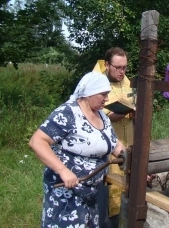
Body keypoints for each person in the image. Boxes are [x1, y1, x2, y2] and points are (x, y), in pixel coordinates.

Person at [29, 71, 126, 228]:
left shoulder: (101, 115)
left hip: (92, 193)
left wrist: (134, 162)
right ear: (89, 93)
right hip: (67, 194)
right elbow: (37, 141)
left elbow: (114, 144)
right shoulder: (68, 113)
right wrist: (63, 170)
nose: (107, 99)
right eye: (103, 94)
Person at [92, 47, 135, 227]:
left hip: (128, 142)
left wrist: (135, 112)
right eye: (117, 67)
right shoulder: (95, 83)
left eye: (124, 67)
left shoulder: (127, 82)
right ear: (107, 65)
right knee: (107, 191)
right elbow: (92, 115)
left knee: (128, 187)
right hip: (106, 149)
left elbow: (133, 103)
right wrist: (113, 115)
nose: (121, 71)